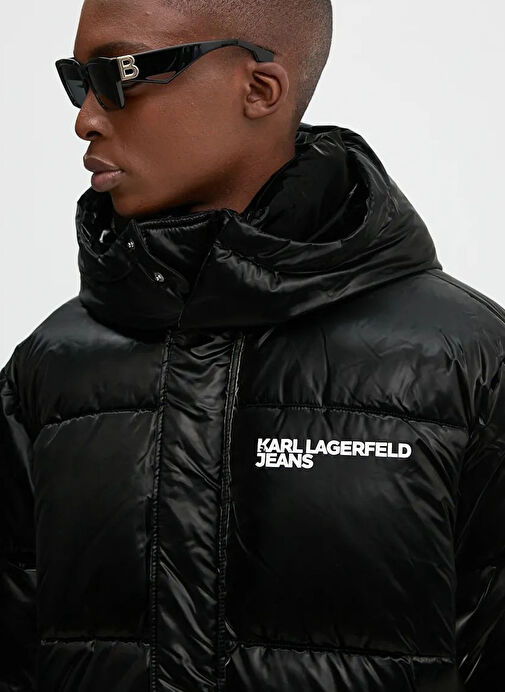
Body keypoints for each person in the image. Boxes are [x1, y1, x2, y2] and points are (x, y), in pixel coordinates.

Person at [1, 0, 504, 690]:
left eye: (119, 75)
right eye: (78, 81)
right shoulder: (49, 369)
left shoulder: (466, 365)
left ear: (259, 89)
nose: (85, 118)